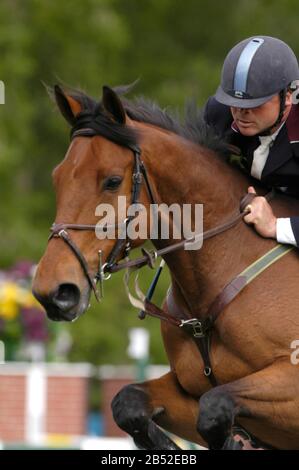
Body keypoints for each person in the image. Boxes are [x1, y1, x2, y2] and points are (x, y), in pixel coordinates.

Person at [203, 35, 299, 246]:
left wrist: (276, 225)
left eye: (256, 103)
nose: (241, 113)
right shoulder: (219, 113)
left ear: (288, 96)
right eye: (234, 102)